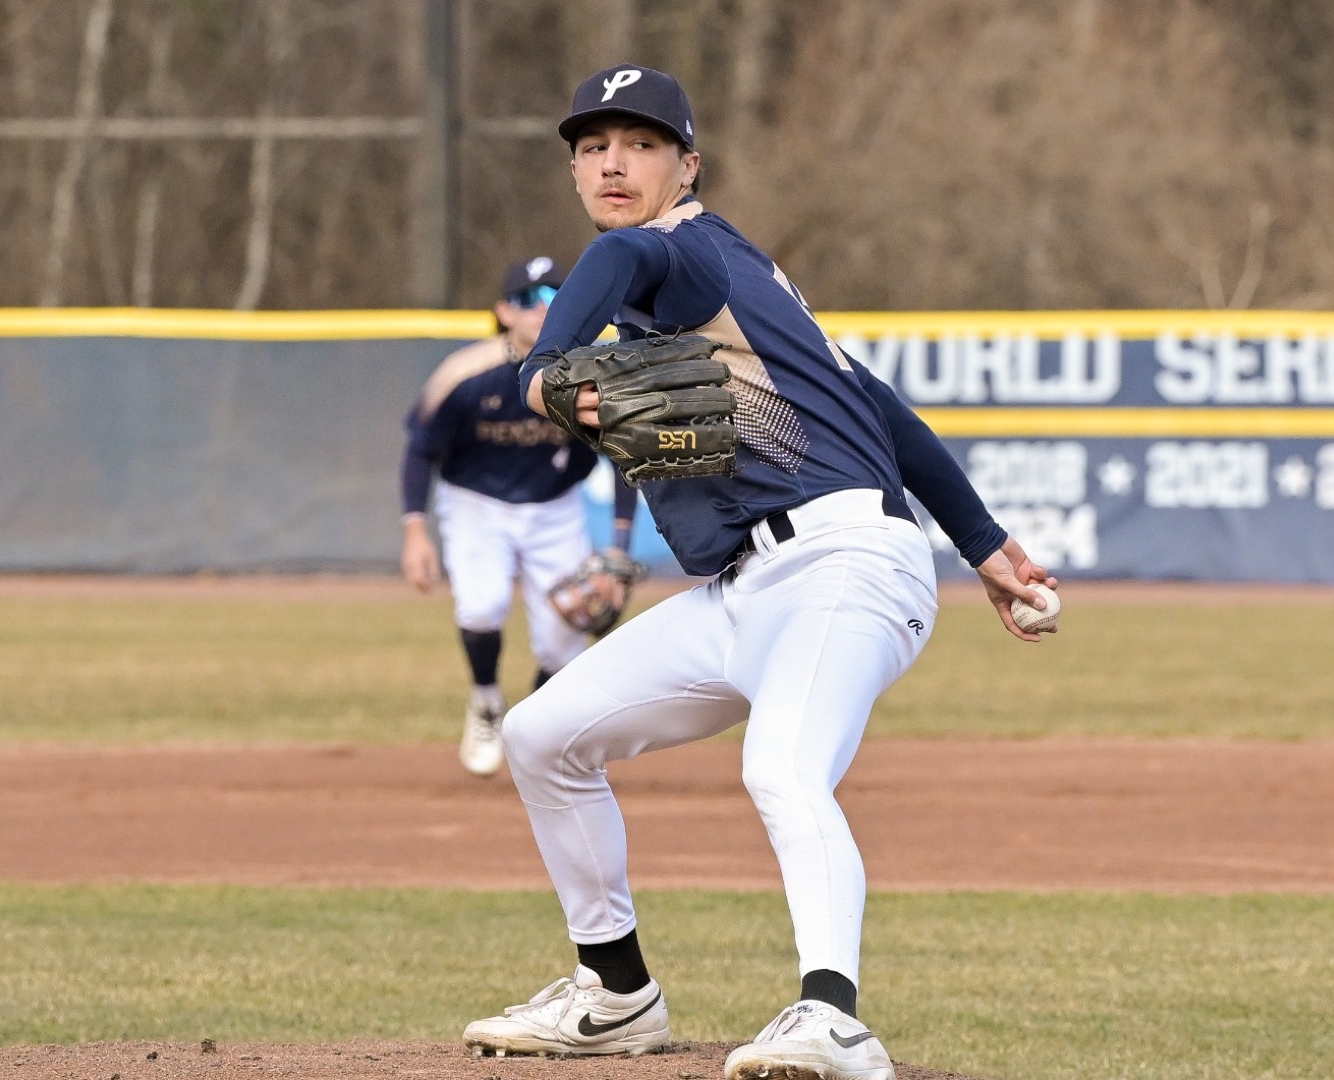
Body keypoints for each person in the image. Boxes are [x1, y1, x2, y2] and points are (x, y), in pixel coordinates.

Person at [458, 66, 1056, 1080]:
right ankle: (614, 993)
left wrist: (538, 367)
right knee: (540, 733)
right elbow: (884, 413)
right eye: (593, 145)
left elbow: (623, 252)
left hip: (845, 564)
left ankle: (833, 1018)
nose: (613, 160)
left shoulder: (680, 251)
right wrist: (987, 546)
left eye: (640, 142)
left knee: (780, 768)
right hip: (746, 589)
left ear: (686, 165)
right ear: (571, 167)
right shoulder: (746, 290)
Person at [400, 256, 640, 779]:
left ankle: (529, 730)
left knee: (563, 638)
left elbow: (625, 459)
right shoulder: (465, 374)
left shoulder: (585, 375)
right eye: (531, 299)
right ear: (505, 311)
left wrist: (619, 545)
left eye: (557, 296)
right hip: (475, 503)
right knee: (482, 607)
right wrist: (415, 530)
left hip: (553, 505)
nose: (544, 310)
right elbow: (421, 450)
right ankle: (486, 701)